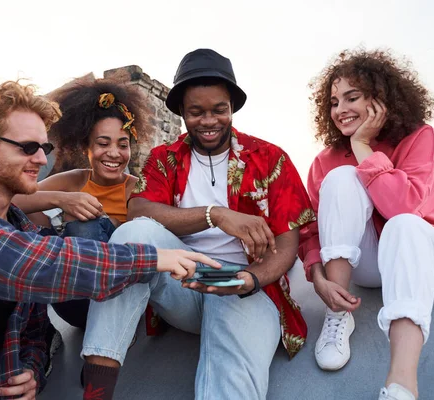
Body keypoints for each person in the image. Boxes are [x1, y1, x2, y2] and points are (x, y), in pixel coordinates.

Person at [0, 81, 219, 400]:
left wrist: (32, 372)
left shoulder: (25, 231)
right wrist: (150, 259)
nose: (40, 159)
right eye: (27, 147)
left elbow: (38, 331)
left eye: (44, 148)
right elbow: (14, 262)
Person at [80, 48, 316, 400]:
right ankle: (97, 390)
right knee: (133, 234)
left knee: (232, 380)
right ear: (182, 113)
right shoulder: (165, 159)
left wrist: (250, 279)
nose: (209, 120)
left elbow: (287, 242)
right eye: (196, 112)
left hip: (246, 284)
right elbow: (139, 211)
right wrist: (216, 214)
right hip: (184, 280)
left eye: (219, 109)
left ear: (231, 107)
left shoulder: (269, 158)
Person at [298, 49, 434, 400]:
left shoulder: (419, 136)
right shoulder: (325, 160)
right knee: (342, 178)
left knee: (403, 224)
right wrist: (317, 276)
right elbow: (311, 230)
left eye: (352, 97)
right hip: (369, 265)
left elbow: (403, 207)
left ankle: (401, 385)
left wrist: (362, 147)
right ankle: (338, 314)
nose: (340, 109)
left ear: (380, 99)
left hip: (425, 252)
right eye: (333, 101)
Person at [13, 78, 149, 329]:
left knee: (85, 217)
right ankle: (34, 325)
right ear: (86, 147)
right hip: (73, 301)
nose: (114, 153)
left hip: (119, 296)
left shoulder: (137, 188)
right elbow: (12, 201)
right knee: (25, 216)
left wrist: (110, 223)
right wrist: (62, 199)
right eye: (103, 143)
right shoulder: (74, 180)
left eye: (123, 144)